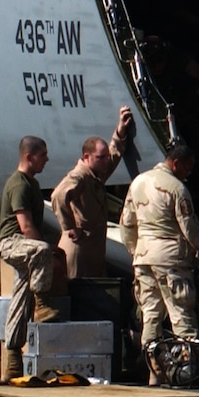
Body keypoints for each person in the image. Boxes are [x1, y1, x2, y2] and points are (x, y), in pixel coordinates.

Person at [119, 139, 199, 374]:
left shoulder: (138, 183)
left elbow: (126, 225)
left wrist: (137, 251)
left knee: (151, 314)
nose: (188, 174)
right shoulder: (177, 189)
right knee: (181, 312)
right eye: (187, 168)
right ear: (176, 164)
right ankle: (187, 368)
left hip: (143, 259)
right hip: (171, 261)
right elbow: (191, 230)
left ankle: (154, 367)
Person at [0, 135, 60, 382]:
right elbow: (25, 226)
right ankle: (42, 304)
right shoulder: (19, 184)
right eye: (43, 154)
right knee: (42, 250)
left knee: (20, 299)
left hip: (23, 246)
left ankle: (12, 359)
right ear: (29, 157)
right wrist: (47, 252)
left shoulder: (32, 184)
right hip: (12, 244)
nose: (47, 159)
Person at [49, 107, 133, 280]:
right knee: (79, 295)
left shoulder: (95, 174)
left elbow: (113, 157)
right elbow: (58, 196)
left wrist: (120, 132)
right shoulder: (79, 176)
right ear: (86, 157)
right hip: (78, 249)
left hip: (92, 250)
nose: (105, 161)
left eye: (105, 157)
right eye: (100, 158)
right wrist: (70, 227)